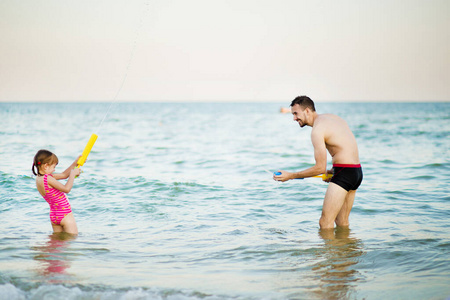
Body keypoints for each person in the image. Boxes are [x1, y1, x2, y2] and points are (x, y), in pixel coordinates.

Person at [273, 96, 363, 230]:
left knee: (325, 223)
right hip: (355, 171)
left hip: (344, 173)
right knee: (342, 222)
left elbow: (320, 168)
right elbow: (344, 146)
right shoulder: (332, 117)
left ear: (307, 110)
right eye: (292, 114)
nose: (294, 118)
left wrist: (290, 175)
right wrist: (334, 171)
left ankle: (327, 252)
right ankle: (347, 250)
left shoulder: (317, 130)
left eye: (296, 114)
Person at [32, 150, 81, 235]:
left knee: (57, 245)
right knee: (72, 239)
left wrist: (75, 163)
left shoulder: (39, 178)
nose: (54, 169)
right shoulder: (48, 178)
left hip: (54, 216)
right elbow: (66, 189)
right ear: (46, 166)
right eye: (53, 167)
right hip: (65, 214)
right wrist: (73, 175)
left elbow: (64, 175)